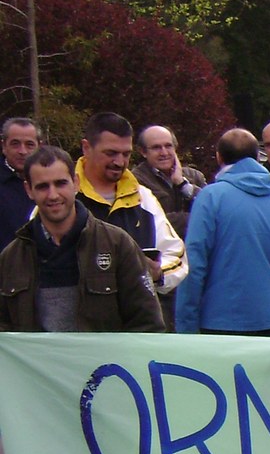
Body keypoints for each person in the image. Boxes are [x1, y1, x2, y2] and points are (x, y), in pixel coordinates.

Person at [0, 145, 162, 332]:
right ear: (28, 190)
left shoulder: (118, 245)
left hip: (103, 360)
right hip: (34, 361)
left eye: (60, 183)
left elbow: (147, 323)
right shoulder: (11, 258)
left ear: (75, 183)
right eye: (42, 186)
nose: (53, 195)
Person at [175, 128, 270, 336]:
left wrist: (185, 327)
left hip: (220, 323)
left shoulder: (210, 197)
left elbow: (194, 264)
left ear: (219, 157)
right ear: (258, 157)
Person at [73, 111, 187, 305]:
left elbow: (177, 257)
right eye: (110, 153)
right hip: (79, 323)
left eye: (126, 154)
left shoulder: (143, 198)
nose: (119, 162)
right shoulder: (63, 196)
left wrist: (158, 273)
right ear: (86, 147)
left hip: (135, 322)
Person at [133, 124, 207, 238]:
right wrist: (200, 219)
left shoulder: (195, 176)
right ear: (143, 152)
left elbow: (213, 208)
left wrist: (182, 184)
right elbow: (153, 222)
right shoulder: (136, 180)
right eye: (156, 147)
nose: (164, 153)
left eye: (168, 146)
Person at [0, 117, 41, 243]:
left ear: (40, 146)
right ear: (3, 146)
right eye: (15, 144)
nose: (22, 151)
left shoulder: (52, 181)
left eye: (29, 145)